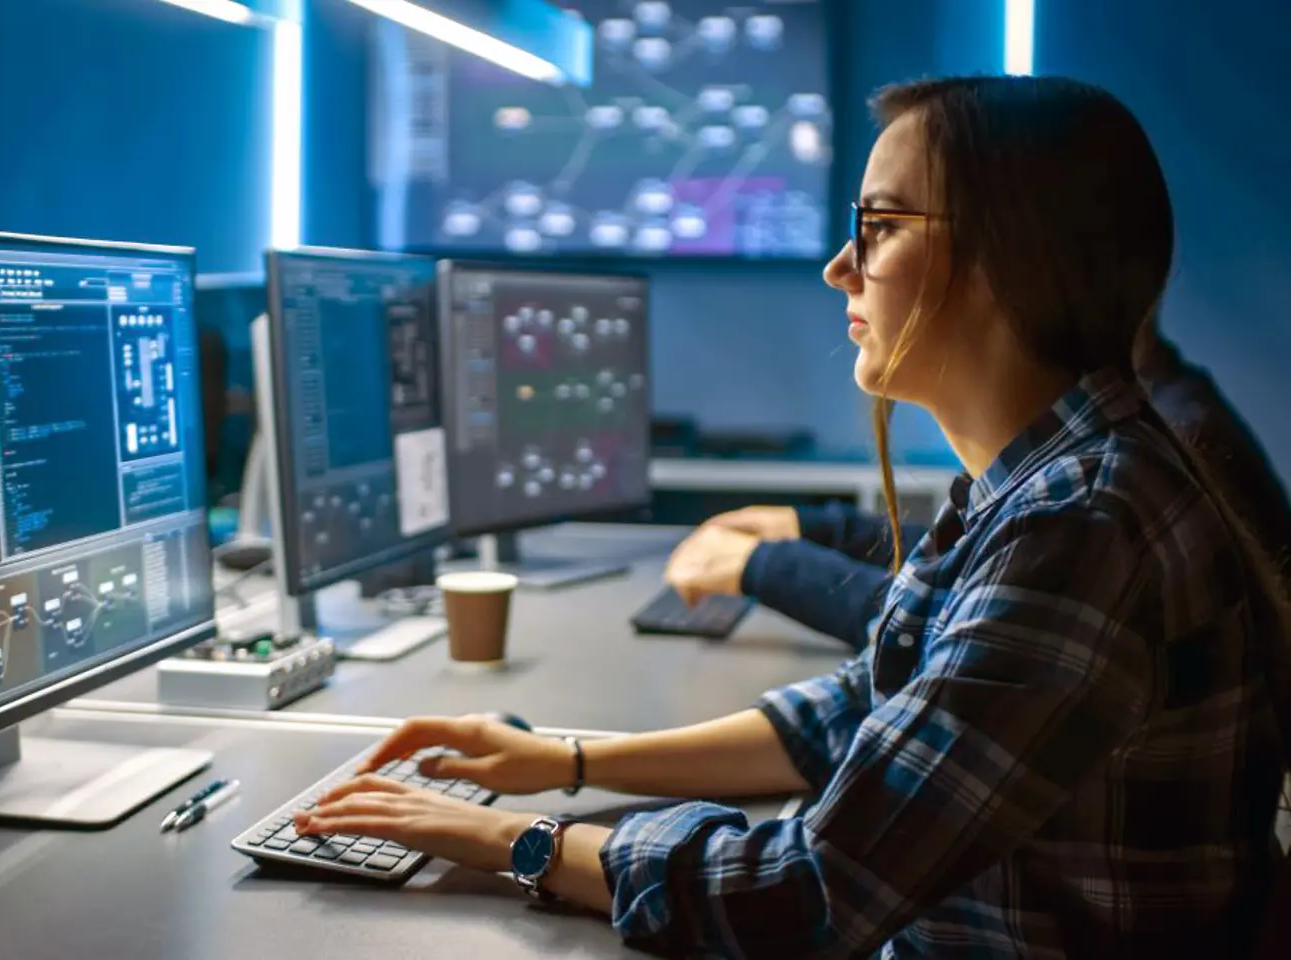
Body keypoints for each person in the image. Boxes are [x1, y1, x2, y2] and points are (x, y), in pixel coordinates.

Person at [294, 76, 1291, 956]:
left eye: (881, 224)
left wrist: (513, 841)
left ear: (1009, 260)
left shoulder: (1082, 525)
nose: (839, 267)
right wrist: (566, 761)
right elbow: (860, 709)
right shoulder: (1037, 482)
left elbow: (806, 895)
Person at [663, 314, 1291, 651]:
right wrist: (816, 528)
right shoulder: (1142, 411)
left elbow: (949, 627)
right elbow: (976, 567)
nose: (844, 270)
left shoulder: (1111, 481)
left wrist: (765, 567)